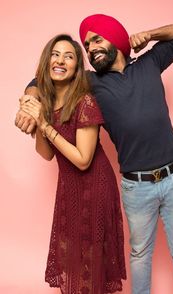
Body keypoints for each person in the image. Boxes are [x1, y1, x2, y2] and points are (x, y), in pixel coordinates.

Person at [15, 14, 173, 294]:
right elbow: (43, 77)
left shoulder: (149, 63)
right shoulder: (91, 82)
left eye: (97, 39)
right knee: (139, 255)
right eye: (87, 45)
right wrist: (29, 101)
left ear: (116, 39)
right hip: (136, 186)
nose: (90, 48)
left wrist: (149, 34)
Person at [18, 34, 126, 294]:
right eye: (55, 54)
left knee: (91, 257)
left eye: (69, 57)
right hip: (69, 189)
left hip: (95, 185)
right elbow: (46, 154)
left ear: (77, 68)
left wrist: (44, 125)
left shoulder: (84, 101)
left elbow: (82, 159)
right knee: (72, 255)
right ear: (46, 62)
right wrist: (39, 120)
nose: (60, 61)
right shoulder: (46, 101)